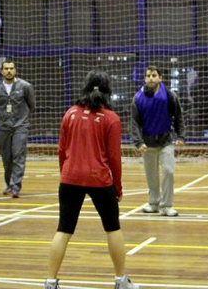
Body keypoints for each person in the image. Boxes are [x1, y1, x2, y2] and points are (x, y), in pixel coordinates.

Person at [45, 71, 139, 289]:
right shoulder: (112, 119)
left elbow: (61, 150)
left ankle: (50, 282)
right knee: (113, 228)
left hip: (70, 178)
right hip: (100, 180)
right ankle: (121, 281)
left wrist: (65, 174)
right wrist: (118, 187)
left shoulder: (70, 114)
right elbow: (115, 157)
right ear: (108, 91)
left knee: (63, 229)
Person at [130, 65, 185, 217]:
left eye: (154, 75)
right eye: (148, 76)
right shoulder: (138, 98)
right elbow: (134, 122)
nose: (151, 78)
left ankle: (166, 205)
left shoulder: (169, 95)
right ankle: (153, 203)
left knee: (169, 171)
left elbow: (178, 116)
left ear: (161, 78)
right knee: (151, 175)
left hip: (165, 141)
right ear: (144, 78)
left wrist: (181, 136)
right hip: (147, 144)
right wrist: (138, 142)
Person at [0, 58, 35, 198]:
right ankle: (9, 185)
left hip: (20, 127)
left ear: (15, 70)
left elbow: (31, 105)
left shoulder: (25, 86)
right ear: (1, 71)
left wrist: (23, 120)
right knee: (6, 158)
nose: (9, 71)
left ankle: (15, 187)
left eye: (11, 68)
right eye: (6, 68)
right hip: (4, 127)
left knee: (18, 156)